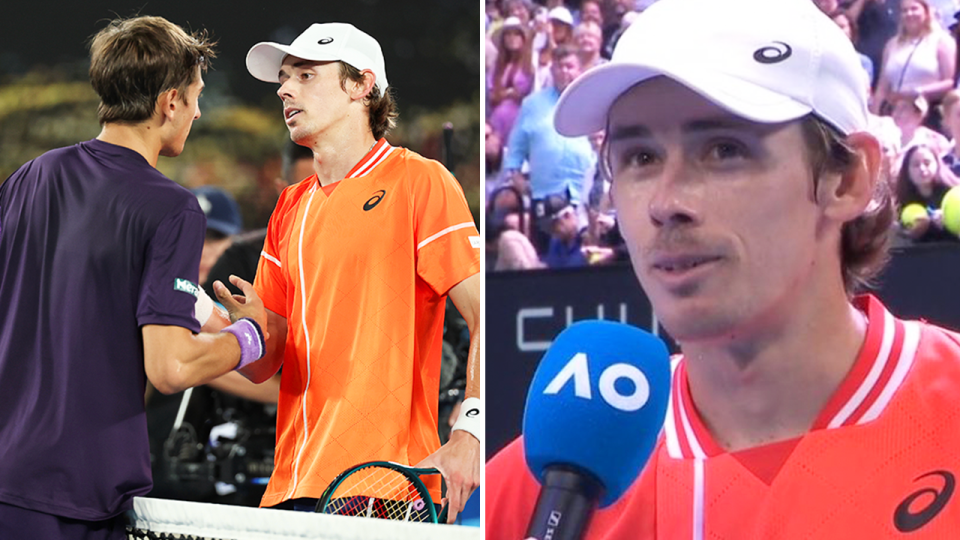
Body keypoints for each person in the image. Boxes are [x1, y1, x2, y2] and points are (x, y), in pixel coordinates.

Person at [487, 0, 960, 537]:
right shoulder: (547, 485)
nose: (666, 202)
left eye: (723, 149)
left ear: (848, 179)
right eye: (640, 157)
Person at [0, 16, 269, 540]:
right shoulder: (172, 207)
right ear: (169, 102)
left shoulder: (29, 177)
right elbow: (170, 367)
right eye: (195, 97)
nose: (195, 112)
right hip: (73, 500)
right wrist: (252, 338)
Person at [243, 22, 482, 522]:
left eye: (306, 75)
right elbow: (265, 363)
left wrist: (471, 433)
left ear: (361, 85)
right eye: (284, 78)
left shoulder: (420, 180)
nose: (285, 89)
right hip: (289, 488)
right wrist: (225, 330)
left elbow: (486, 313)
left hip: (385, 487)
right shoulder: (289, 206)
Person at [872, 0, 956, 131]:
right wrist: (875, 118)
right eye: (904, 11)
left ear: (926, 12)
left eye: (914, 9)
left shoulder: (941, 41)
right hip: (895, 112)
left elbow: (949, 82)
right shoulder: (892, 45)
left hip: (928, 114)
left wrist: (916, 92)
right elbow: (882, 87)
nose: (909, 14)